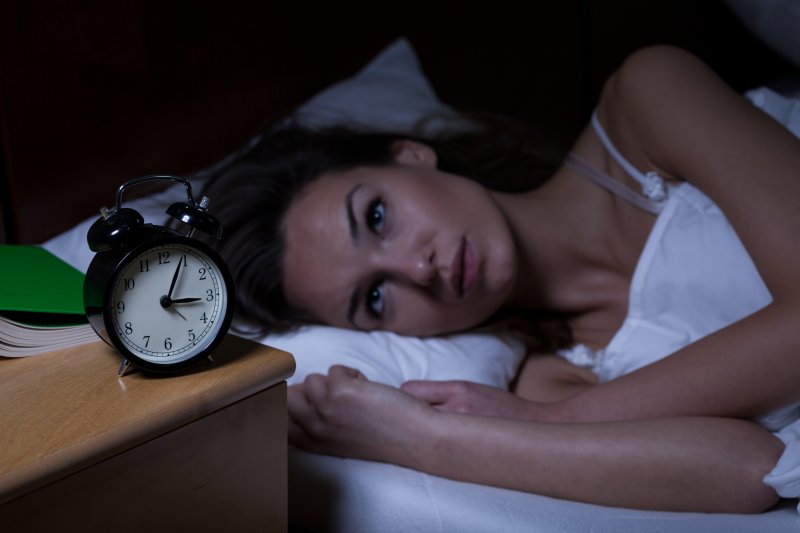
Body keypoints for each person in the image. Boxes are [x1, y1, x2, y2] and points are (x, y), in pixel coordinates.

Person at [201, 45, 800, 513]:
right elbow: (751, 470)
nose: (418, 268)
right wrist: (422, 440)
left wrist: (562, 423)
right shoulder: (546, 381)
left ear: (409, 153)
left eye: (377, 217)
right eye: (375, 298)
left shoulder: (646, 102)